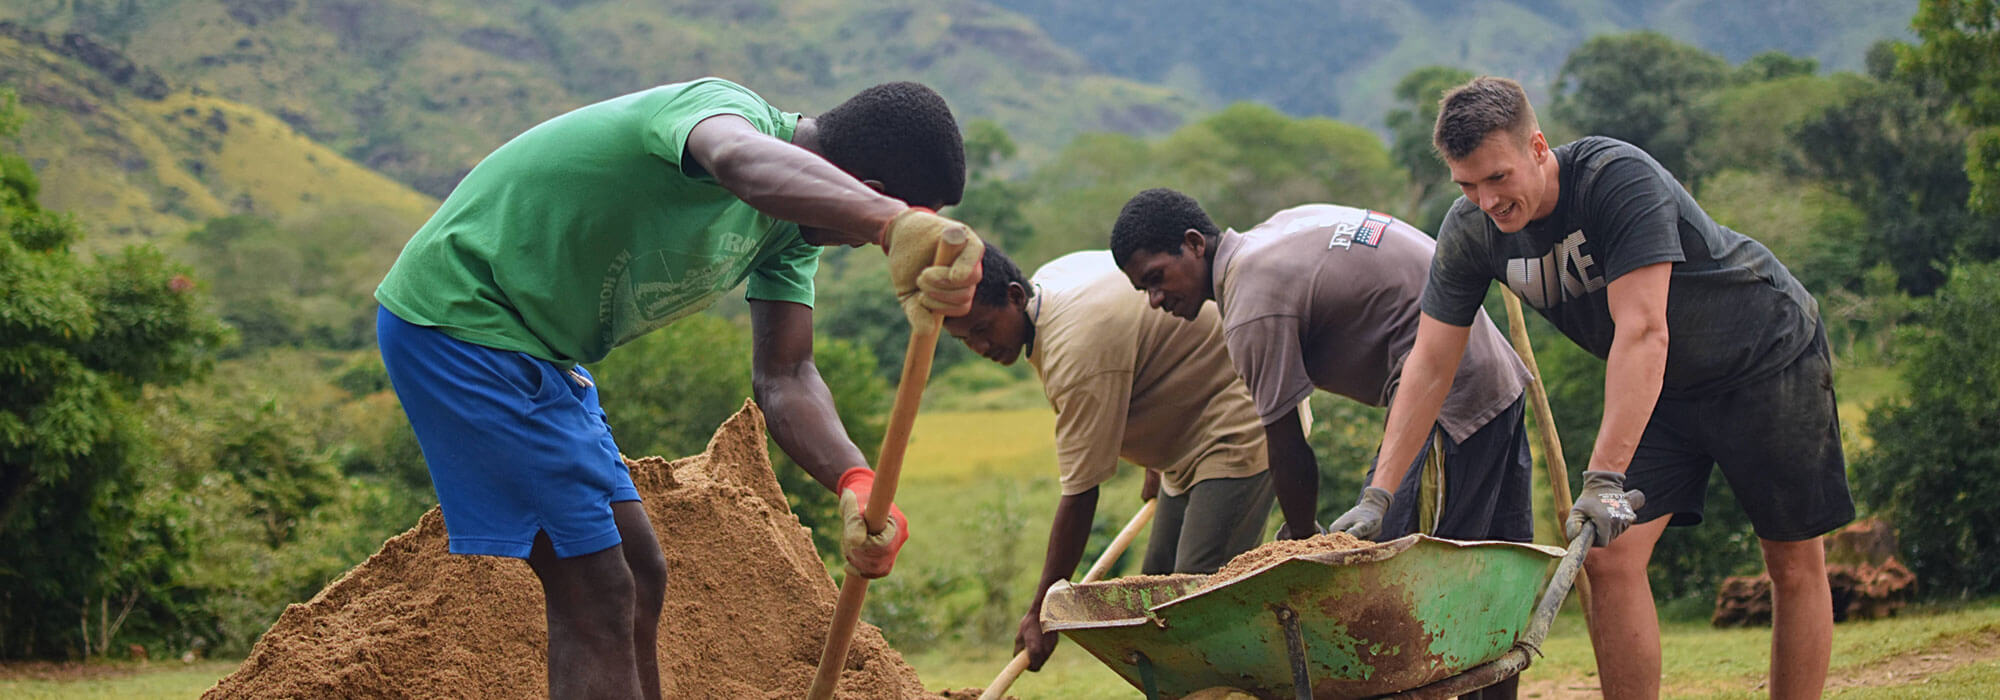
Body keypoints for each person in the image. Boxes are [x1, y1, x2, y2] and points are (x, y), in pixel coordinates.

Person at [372, 78, 984, 700]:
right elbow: (737, 162)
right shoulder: (723, 113)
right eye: (866, 222)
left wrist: (856, 484)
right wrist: (891, 225)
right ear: (870, 195)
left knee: (639, 571)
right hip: (463, 322)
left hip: (541, 357)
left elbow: (786, 375)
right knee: (597, 589)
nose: (858, 237)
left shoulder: (791, 237)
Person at [1374, 76, 1850, 700]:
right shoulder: (1470, 231)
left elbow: (1644, 331)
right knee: (1608, 556)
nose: (1486, 200)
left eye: (1498, 178)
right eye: (1467, 185)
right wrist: (1379, 495)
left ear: (1538, 148)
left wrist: (1603, 478)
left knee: (1791, 561)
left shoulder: (1615, 179)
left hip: (1766, 363)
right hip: (1662, 399)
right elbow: (1430, 366)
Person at [942, 244, 1276, 672]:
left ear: (1014, 296)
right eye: (965, 338)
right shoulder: (1052, 279)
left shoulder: (1074, 348)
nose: (980, 345)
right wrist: (1156, 458)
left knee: (1193, 609)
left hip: (1238, 421)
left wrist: (1044, 609)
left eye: (984, 328)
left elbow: (1081, 494)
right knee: (1156, 592)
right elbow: (1145, 337)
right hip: (1184, 444)